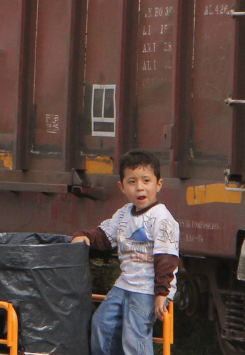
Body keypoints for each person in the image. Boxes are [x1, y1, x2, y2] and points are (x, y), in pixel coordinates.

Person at [74, 150, 180, 355]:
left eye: (146, 180)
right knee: (101, 323)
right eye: (132, 182)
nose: (140, 187)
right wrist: (84, 236)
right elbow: (105, 235)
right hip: (125, 285)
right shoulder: (124, 214)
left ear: (159, 184)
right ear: (122, 187)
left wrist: (161, 293)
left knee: (134, 335)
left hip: (150, 289)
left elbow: (166, 258)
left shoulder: (162, 218)